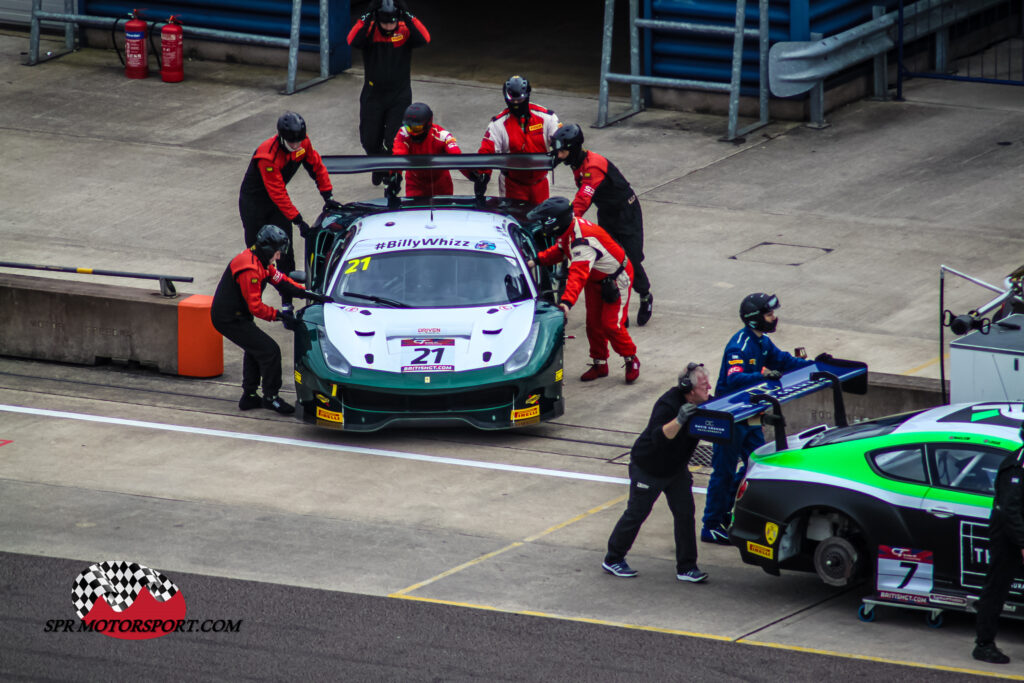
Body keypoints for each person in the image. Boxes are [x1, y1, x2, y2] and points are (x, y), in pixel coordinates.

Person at [700, 292, 814, 544]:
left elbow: (783, 360)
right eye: (769, 314)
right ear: (754, 319)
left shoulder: (762, 342)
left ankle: (727, 511)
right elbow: (734, 378)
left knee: (757, 466)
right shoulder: (739, 345)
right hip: (729, 418)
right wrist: (764, 377)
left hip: (751, 415)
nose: (774, 318)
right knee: (724, 472)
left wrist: (814, 366)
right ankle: (711, 524)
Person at [602, 362, 712, 582]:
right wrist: (680, 419)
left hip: (676, 469)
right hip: (649, 468)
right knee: (637, 513)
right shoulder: (668, 404)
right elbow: (659, 437)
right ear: (689, 390)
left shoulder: (704, 402)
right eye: (703, 384)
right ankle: (613, 558)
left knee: (685, 514)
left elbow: (726, 418)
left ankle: (687, 567)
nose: (709, 386)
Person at [211, 225, 328, 415]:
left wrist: (305, 292)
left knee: (255, 348)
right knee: (270, 351)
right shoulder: (249, 269)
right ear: (267, 249)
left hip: (239, 315)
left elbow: (280, 279)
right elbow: (255, 307)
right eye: (277, 252)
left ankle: (249, 396)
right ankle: (270, 397)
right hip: (228, 319)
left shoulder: (260, 260)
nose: (279, 257)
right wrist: (280, 316)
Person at [527, 196, 640, 383]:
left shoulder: (582, 242)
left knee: (612, 324)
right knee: (593, 324)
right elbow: (560, 250)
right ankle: (600, 363)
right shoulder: (570, 228)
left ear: (555, 222)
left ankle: (631, 358)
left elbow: (577, 276)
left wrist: (566, 303)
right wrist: (536, 261)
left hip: (617, 279)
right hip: (595, 280)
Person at [550, 123, 654, 326]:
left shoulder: (592, 167)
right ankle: (616, 304)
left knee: (630, 259)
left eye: (562, 151)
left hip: (626, 212)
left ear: (572, 149)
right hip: (606, 213)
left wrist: (566, 222)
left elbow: (582, 201)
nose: (559, 155)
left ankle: (645, 294)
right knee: (609, 257)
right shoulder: (575, 160)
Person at [237, 111, 334, 306]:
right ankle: (250, 301)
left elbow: (316, 167)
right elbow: (278, 192)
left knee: (284, 248)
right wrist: (299, 220)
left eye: (299, 141)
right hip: (254, 203)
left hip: (275, 202)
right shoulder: (268, 156)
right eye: (292, 142)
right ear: (281, 137)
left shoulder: (302, 143)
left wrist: (328, 195)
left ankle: (287, 301)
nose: (296, 145)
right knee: (258, 254)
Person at [347, 0, 430, 184]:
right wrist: (367, 15)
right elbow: (352, 40)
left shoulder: (404, 29)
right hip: (373, 94)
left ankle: (390, 172)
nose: (389, 27)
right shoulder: (369, 30)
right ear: (377, 20)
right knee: (369, 140)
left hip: (399, 95)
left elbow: (425, 38)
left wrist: (407, 14)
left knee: (394, 140)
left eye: (392, 22)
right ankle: (379, 164)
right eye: (385, 23)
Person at [972, 433, 1024, 664]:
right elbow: (1009, 510)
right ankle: (983, 645)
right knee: (996, 589)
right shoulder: (1015, 466)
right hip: (1008, 537)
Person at [478, 75, 560, 204]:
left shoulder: (547, 117)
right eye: (512, 100)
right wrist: (482, 176)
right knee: (514, 220)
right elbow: (486, 153)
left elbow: (560, 141)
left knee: (542, 220)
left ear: (527, 96)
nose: (516, 104)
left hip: (541, 182)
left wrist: (558, 152)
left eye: (519, 100)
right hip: (512, 185)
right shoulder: (497, 125)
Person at [392, 102, 476, 198]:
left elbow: (457, 156)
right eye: (408, 127)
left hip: (441, 185)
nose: (412, 132)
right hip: (415, 185)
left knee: (443, 212)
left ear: (428, 124)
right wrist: (395, 176)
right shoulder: (403, 133)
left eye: (417, 128)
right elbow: (398, 154)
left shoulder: (443, 136)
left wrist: (472, 174)